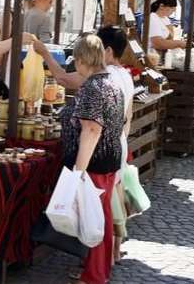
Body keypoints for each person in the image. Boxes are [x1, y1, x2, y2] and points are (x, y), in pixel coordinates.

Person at [58, 34, 124, 284]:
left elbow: (92, 130)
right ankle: (99, 270)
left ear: (82, 59)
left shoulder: (92, 87)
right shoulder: (111, 82)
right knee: (101, 217)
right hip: (109, 159)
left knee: (92, 219)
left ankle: (94, 276)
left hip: (95, 163)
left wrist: (78, 171)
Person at [95, 26, 134, 265]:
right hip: (119, 141)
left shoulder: (106, 76)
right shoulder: (126, 75)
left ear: (108, 51)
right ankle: (115, 251)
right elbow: (128, 115)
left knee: (106, 203)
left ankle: (106, 256)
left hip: (106, 145)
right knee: (115, 199)